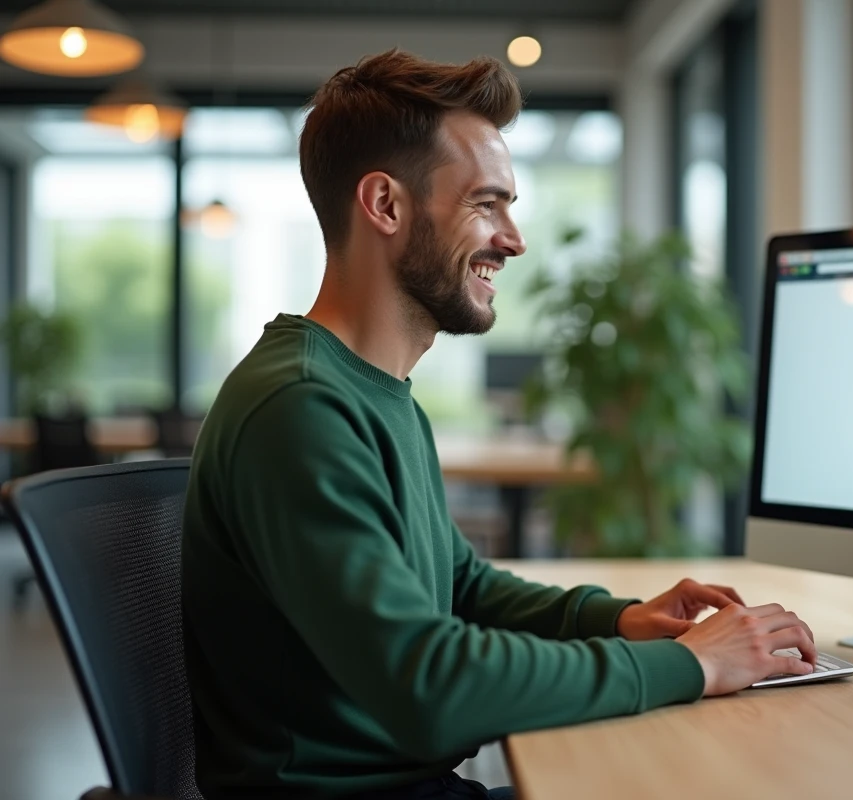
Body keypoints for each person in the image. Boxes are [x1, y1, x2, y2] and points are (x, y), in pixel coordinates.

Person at [181, 49, 818, 800]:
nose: (513, 240)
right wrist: (694, 663)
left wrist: (620, 621)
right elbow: (429, 687)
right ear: (385, 205)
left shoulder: (374, 393)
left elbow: (462, 586)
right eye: (486, 205)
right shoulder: (300, 407)